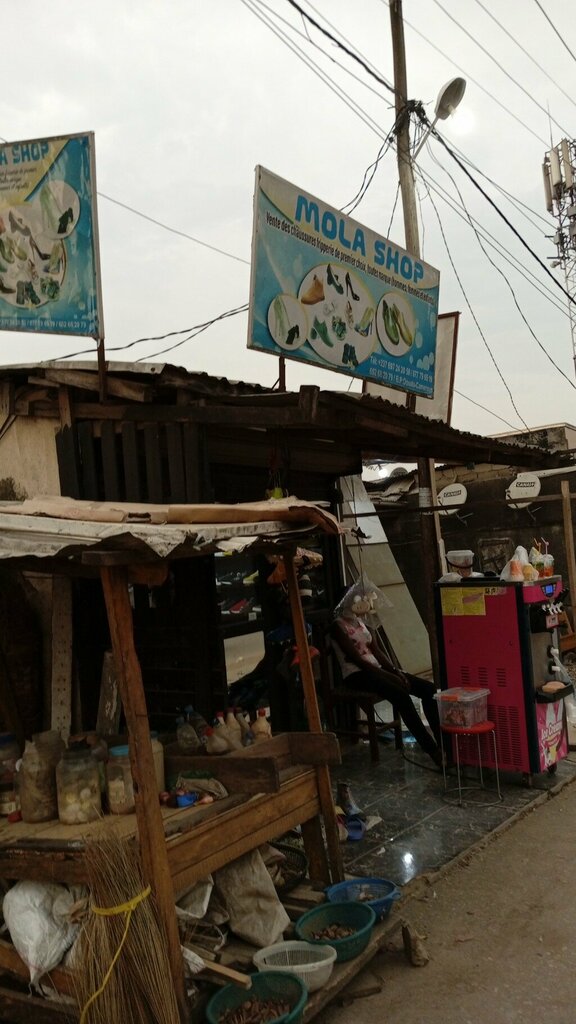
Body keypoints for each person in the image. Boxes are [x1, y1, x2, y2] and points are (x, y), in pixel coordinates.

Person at [330, 587, 444, 768]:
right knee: (401, 696)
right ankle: (432, 750)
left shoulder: (361, 622)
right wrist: (389, 676)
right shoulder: (338, 626)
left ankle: (443, 743)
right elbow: (357, 660)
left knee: (428, 689)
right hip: (357, 675)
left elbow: (377, 651)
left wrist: (396, 671)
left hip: (377, 670)